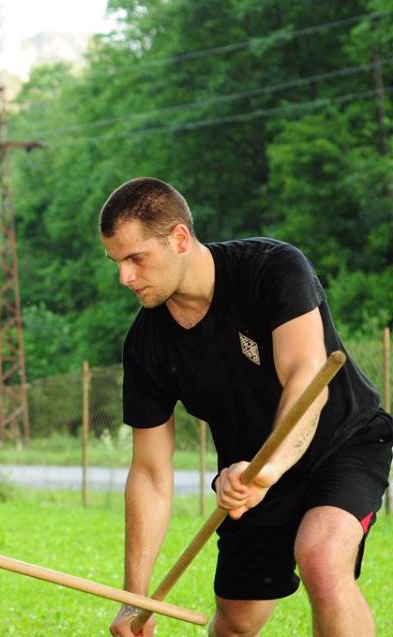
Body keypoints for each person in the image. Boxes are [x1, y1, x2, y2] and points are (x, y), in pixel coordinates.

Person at [99, 177, 392, 637]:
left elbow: (306, 379)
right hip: (247, 477)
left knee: (321, 557)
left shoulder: (272, 268)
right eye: (117, 262)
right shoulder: (146, 345)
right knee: (236, 622)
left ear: (179, 238)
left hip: (341, 442)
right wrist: (134, 600)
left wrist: (267, 471)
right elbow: (151, 474)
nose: (125, 277)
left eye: (136, 258)